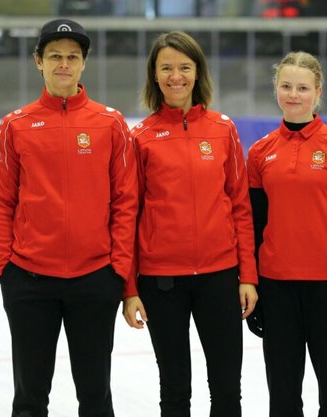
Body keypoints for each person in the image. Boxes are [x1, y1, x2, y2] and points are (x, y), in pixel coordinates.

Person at [0, 18, 138, 417]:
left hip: (95, 281)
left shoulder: (110, 123)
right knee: (30, 398)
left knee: (94, 395)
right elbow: (2, 201)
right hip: (29, 281)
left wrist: (117, 270)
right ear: (39, 61)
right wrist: (6, 268)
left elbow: (126, 202)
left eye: (72, 57)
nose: (64, 64)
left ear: (84, 63)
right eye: (55, 56)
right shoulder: (15, 126)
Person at [122, 31, 258, 417]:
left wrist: (247, 275)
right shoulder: (141, 137)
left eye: (184, 67)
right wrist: (130, 287)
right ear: (154, 75)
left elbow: (240, 207)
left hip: (219, 275)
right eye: (166, 67)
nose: (175, 76)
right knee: (175, 389)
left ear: (198, 73)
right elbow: (129, 216)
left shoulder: (222, 129)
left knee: (228, 389)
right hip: (161, 280)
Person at [245, 51, 327, 417]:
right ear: (276, 89)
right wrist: (252, 285)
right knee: (283, 398)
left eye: (302, 88)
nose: (293, 94)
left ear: (317, 92)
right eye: (286, 86)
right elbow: (254, 227)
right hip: (277, 287)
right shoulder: (260, 153)